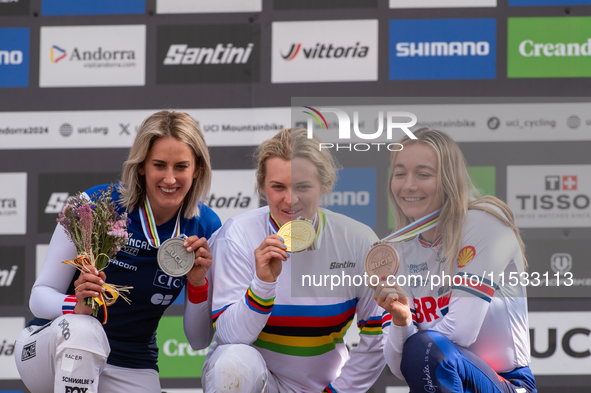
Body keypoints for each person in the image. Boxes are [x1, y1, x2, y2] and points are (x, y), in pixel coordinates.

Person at [14, 110, 221, 393]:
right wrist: (74, 306)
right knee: (86, 330)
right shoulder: (94, 205)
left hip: (131, 361)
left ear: (197, 168)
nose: (170, 179)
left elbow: (198, 340)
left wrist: (198, 283)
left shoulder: (206, 226)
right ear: (141, 166)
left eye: (181, 166)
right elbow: (39, 297)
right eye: (159, 165)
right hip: (52, 345)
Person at [197, 128, 387, 392]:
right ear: (263, 186)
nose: (290, 200)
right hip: (261, 381)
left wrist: (339, 391)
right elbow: (230, 338)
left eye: (303, 186)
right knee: (232, 362)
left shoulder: (357, 240)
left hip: (323, 386)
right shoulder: (238, 234)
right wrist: (263, 284)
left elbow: (377, 333)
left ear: (325, 184)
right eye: (278, 187)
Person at [376, 128, 536, 393]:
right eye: (400, 173)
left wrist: (413, 341)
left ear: (449, 179)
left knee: (424, 348)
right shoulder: (394, 249)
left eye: (424, 174)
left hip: (508, 384)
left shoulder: (484, 222)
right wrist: (403, 322)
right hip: (442, 379)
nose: (409, 185)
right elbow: (396, 365)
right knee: (422, 349)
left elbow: (461, 332)